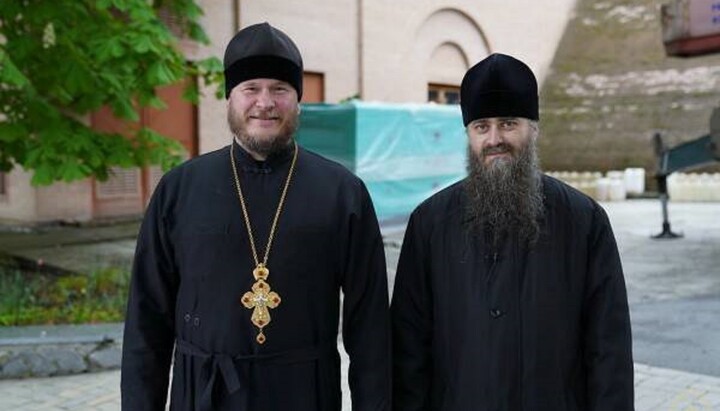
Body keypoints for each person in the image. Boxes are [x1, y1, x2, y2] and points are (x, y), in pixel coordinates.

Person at [121, 22, 390, 411]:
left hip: (303, 395)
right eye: (251, 89)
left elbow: (371, 329)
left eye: (280, 89)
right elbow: (147, 321)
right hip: (204, 395)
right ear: (230, 98)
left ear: (298, 100)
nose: (265, 102)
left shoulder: (341, 193)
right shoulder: (179, 190)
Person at [391, 53, 634, 410]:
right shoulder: (429, 223)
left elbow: (608, 350)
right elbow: (408, 349)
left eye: (508, 124)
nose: (494, 139)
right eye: (482, 126)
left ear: (533, 128)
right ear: (469, 134)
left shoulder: (584, 221)